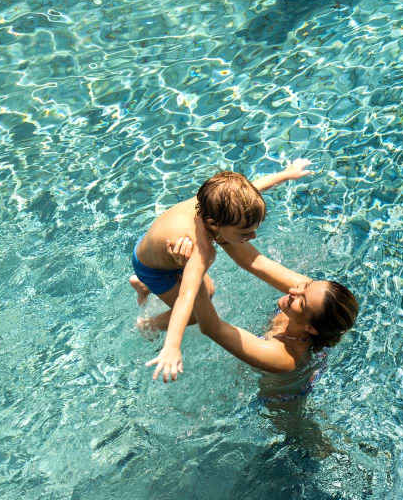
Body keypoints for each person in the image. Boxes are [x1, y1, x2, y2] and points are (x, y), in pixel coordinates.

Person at [130, 160, 313, 382]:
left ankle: (142, 286)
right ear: (214, 224)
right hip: (155, 269)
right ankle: (149, 323)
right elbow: (187, 297)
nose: (252, 238)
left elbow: (251, 189)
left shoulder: (214, 201)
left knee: (209, 288)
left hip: (150, 246)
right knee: (197, 313)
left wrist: (287, 174)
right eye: (245, 233)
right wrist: (172, 346)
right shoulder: (201, 251)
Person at [158, 236, 358, 389]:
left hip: (281, 403)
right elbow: (254, 261)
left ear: (310, 328)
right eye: (307, 284)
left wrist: (193, 268)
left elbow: (212, 328)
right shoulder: (308, 296)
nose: (294, 290)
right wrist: (217, 229)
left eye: (302, 301)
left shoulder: (284, 357)